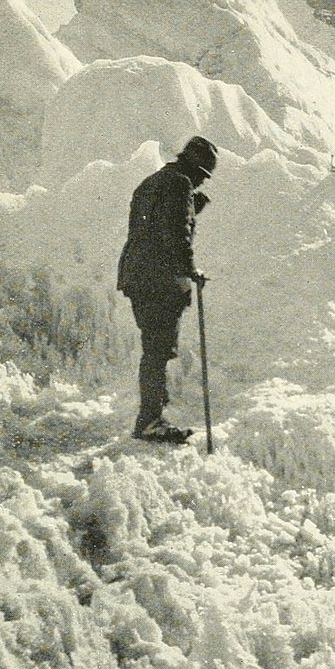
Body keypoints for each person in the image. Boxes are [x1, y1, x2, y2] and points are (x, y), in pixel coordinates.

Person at [117, 136, 217, 443]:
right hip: (157, 279)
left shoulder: (152, 181)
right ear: (196, 168)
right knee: (158, 350)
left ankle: (154, 409)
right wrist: (190, 269)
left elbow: (151, 225)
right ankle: (150, 420)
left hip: (137, 275)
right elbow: (175, 232)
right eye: (203, 175)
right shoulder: (180, 184)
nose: (202, 182)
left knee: (154, 348)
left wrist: (191, 208)